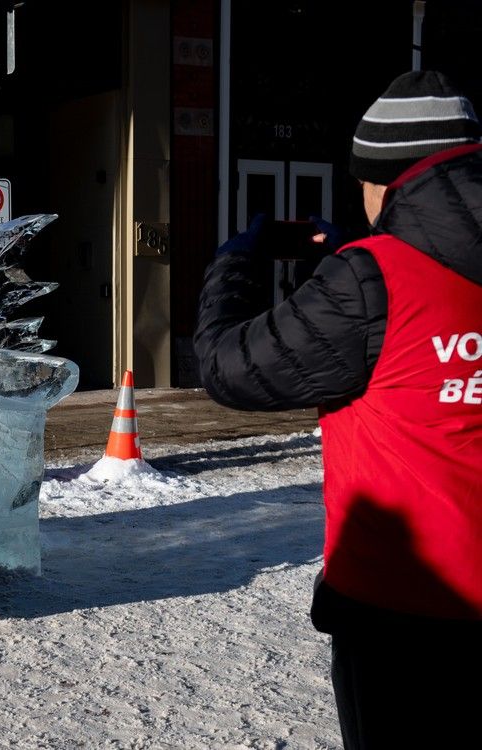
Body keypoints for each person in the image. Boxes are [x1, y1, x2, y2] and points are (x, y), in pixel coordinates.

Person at [194, 70, 482, 748]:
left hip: (400, 612)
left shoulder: (373, 275)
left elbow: (228, 369)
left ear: (387, 180)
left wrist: (235, 265)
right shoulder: (365, 273)